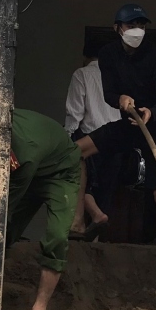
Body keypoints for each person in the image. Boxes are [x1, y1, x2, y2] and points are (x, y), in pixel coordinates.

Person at [74, 3, 156, 292]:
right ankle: (78, 221)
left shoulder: (155, 56)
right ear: (117, 28)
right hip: (125, 124)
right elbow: (109, 93)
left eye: (142, 26)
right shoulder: (108, 55)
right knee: (74, 153)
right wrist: (120, 98)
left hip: (153, 129)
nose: (137, 31)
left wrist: (151, 112)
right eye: (131, 25)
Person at [7, 109, 82, 310]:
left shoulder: (24, 155)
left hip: (60, 171)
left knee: (57, 236)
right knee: (8, 230)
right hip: (32, 163)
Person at [65, 45, 120, 239]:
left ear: (85, 56)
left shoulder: (82, 74)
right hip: (116, 139)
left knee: (79, 182)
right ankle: (96, 241)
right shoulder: (118, 75)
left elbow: (75, 113)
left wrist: (68, 140)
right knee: (106, 192)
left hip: (91, 137)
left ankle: (90, 220)